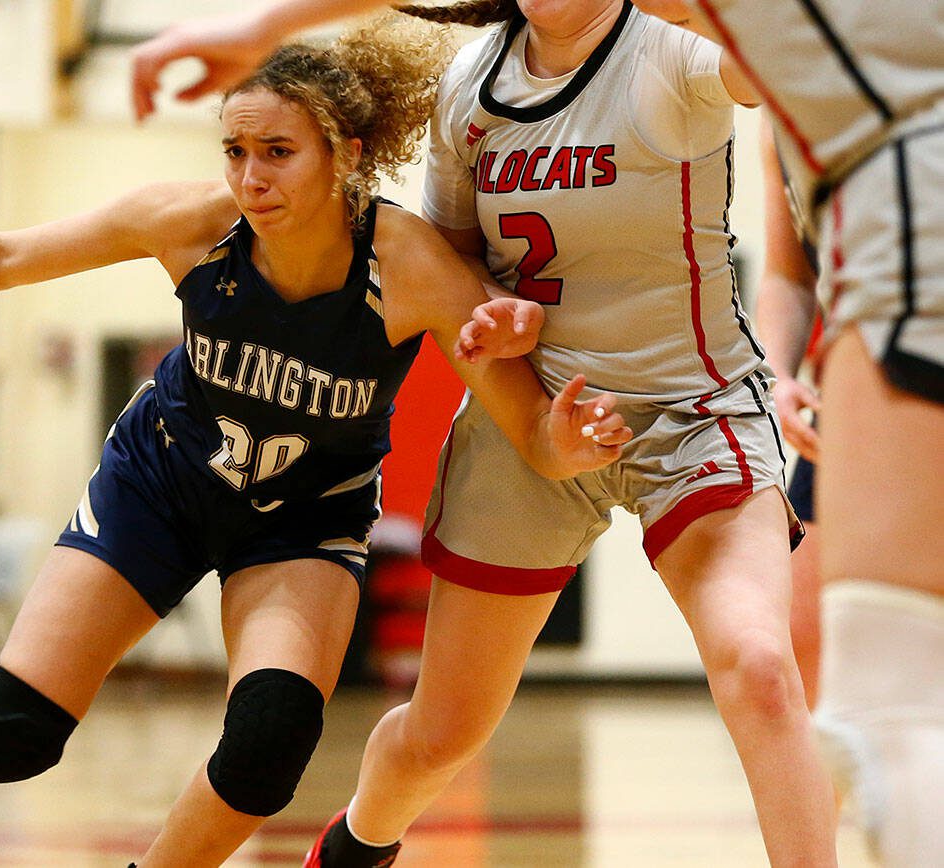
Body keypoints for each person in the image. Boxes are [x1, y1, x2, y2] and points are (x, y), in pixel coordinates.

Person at [0, 20, 633, 868]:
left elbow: (533, 437)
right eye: (236, 151)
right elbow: (3, 257)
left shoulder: (414, 267)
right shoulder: (195, 227)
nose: (252, 177)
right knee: (9, 740)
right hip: (159, 484)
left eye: (278, 153)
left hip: (301, 522)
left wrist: (570, 444)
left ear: (347, 156)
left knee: (269, 747)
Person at [133, 2, 840, 866]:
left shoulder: (680, 53)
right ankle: (357, 844)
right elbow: (457, 266)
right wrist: (499, 322)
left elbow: (779, 45)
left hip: (690, 413)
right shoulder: (470, 87)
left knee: (761, 669)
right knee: (439, 734)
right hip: (531, 419)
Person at [628, 3, 944, 864]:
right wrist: (782, 373)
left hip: (905, 340)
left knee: (891, 708)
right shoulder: (797, 115)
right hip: (841, 380)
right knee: (821, 677)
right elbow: (790, 271)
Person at [754, 124, 822, 709]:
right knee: (803, 640)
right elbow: (788, 272)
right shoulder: (782, 108)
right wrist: (778, 374)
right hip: (859, 389)